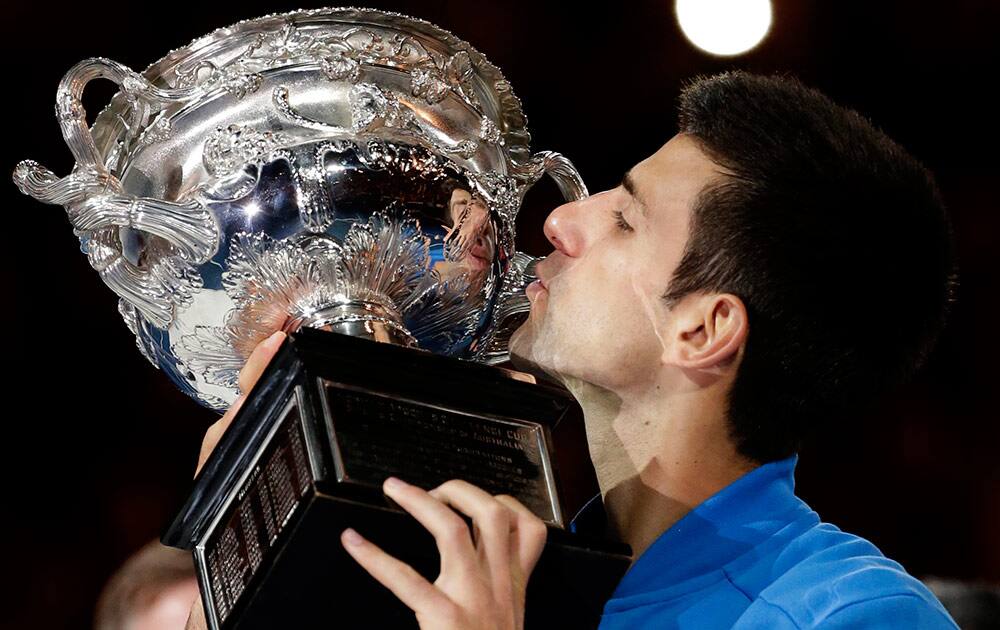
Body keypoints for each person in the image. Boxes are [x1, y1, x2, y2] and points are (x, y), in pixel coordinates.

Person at [186, 70, 960, 628]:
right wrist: (244, 535)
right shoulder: (496, 572)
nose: (562, 222)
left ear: (703, 329)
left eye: (625, 219)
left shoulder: (854, 614)